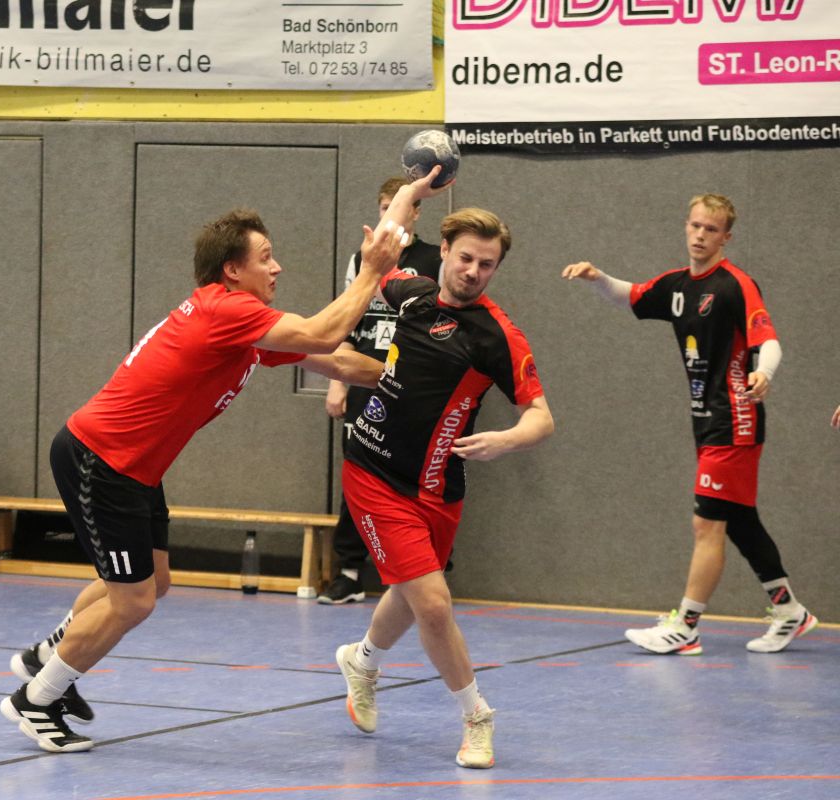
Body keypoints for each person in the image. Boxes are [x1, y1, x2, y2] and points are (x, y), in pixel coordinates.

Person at [1, 171, 445, 754]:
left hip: (133, 467)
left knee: (150, 583)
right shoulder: (226, 310)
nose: (277, 267)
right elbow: (323, 331)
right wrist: (371, 270)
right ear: (232, 270)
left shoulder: (240, 324)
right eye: (266, 257)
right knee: (132, 599)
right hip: (101, 459)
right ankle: (37, 698)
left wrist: (418, 376)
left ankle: (48, 655)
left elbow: (338, 360)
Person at [333, 207, 553, 770]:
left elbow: (540, 418)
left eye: (487, 264)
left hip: (438, 487)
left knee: (411, 595)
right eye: (466, 258)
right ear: (445, 251)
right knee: (432, 602)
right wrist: (409, 194)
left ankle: (362, 661)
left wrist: (506, 439)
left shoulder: (497, 336)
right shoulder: (412, 293)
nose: (474, 271)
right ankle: (477, 717)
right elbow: (375, 261)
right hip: (373, 471)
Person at [562, 193, 816, 655]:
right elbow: (631, 295)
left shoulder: (736, 284)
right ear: (686, 226)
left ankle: (687, 626)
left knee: (707, 523)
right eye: (695, 226)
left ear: (726, 237)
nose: (700, 235)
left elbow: (768, 339)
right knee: (738, 520)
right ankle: (789, 611)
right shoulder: (677, 286)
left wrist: (764, 371)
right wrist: (597, 278)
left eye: (711, 229)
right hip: (706, 420)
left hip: (735, 420)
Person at [320, 176, 442, 605]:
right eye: (384, 206)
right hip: (364, 381)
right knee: (358, 475)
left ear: (416, 211)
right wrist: (337, 382)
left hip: (414, 385)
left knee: (414, 477)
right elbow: (345, 321)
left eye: (400, 205)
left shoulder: (434, 259)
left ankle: (415, 573)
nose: (392, 213)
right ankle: (349, 572)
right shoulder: (364, 257)